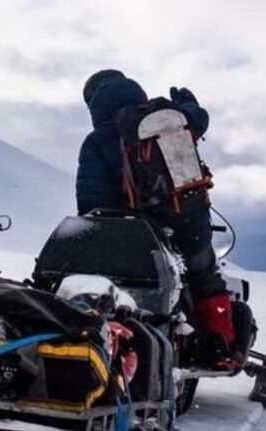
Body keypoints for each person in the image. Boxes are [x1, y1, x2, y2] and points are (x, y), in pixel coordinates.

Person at [76, 70, 239, 369]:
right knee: (205, 277)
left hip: (132, 230)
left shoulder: (98, 141)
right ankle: (220, 348)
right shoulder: (168, 120)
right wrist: (187, 102)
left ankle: (91, 337)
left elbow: (91, 201)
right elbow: (198, 118)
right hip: (188, 221)